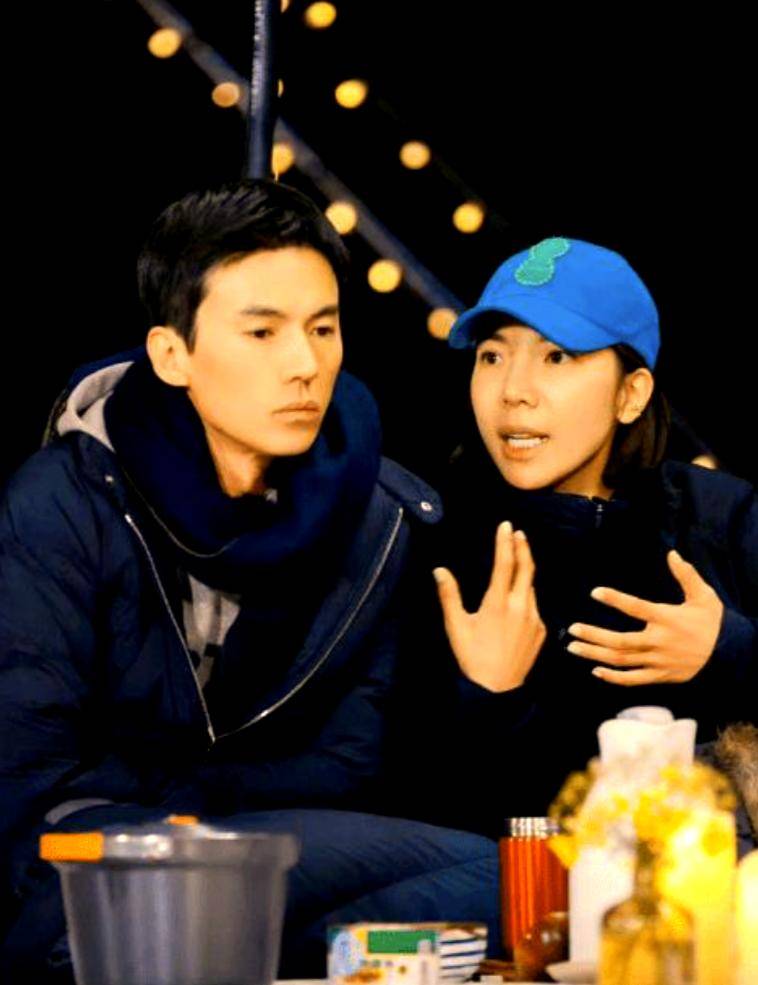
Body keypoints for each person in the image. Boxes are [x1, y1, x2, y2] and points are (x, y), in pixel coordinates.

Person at [0, 179, 499, 981]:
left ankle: (238, 949)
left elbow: (353, 765)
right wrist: (187, 820)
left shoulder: (378, 516)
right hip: (94, 865)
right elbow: (31, 778)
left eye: (323, 328)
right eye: (262, 332)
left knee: (511, 882)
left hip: (272, 848)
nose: (305, 365)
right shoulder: (62, 503)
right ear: (173, 354)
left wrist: (486, 690)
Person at [388, 236, 758, 840]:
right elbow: (408, 809)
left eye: (556, 357)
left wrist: (732, 653)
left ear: (630, 394)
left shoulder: (721, 518)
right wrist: (490, 698)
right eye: (492, 356)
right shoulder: (433, 540)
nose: (514, 390)